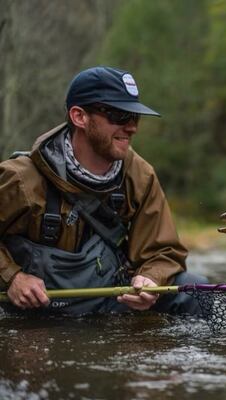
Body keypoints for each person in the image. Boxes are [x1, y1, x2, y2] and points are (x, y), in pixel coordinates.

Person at [0, 66, 207, 315]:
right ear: (79, 117)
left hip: (110, 301)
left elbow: (162, 251)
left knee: (195, 290)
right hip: (35, 308)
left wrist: (151, 280)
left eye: (135, 117)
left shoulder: (139, 175)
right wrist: (13, 278)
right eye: (119, 116)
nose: (132, 128)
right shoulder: (21, 178)